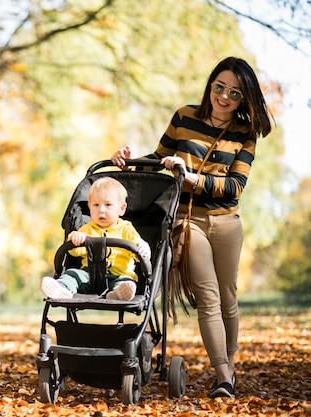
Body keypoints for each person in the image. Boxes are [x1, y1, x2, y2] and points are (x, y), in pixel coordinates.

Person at [111, 56, 272, 399]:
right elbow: (157, 162)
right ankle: (223, 376)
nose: (224, 97)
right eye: (219, 87)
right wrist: (126, 159)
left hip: (227, 223)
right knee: (208, 296)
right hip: (188, 221)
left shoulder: (246, 133)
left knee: (228, 296)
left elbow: (234, 187)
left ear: (244, 99)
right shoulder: (184, 117)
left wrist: (191, 177)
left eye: (234, 93)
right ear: (210, 84)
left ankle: (227, 366)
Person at [41, 177, 151, 301]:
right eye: (96, 205)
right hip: (89, 276)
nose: (101, 210)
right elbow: (73, 251)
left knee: (126, 281)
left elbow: (137, 248)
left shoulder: (126, 228)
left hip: (118, 275)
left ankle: (118, 293)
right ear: (89, 207)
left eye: (108, 205)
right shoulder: (87, 229)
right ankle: (62, 288)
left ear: (121, 209)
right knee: (72, 274)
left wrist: (143, 246)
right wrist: (76, 238)